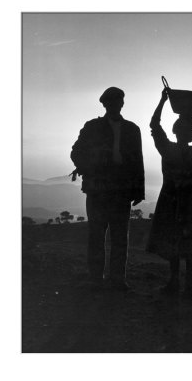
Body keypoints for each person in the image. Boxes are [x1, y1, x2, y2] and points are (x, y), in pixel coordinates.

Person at [71, 87, 144, 291]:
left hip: (121, 190)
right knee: (97, 235)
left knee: (120, 237)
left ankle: (117, 280)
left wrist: (139, 190)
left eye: (118, 101)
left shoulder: (132, 129)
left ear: (122, 103)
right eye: (111, 101)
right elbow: (76, 152)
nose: (115, 104)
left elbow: (138, 160)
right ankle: (96, 278)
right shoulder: (91, 127)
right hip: (98, 189)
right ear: (105, 104)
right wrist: (90, 168)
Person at [147, 89, 192, 298]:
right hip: (182, 203)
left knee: (182, 244)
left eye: (188, 129)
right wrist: (161, 101)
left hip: (181, 203)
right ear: (179, 131)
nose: (186, 132)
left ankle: (184, 285)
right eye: (184, 129)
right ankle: (182, 284)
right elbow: (154, 126)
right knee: (179, 244)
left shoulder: (180, 152)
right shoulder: (178, 151)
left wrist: (161, 101)